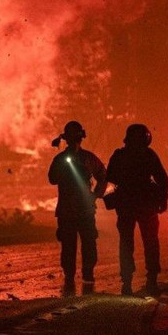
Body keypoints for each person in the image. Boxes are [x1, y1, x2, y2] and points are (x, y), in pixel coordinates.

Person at [106, 124, 168, 296]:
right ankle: (151, 280)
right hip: (145, 204)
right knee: (150, 242)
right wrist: (163, 200)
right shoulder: (148, 155)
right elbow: (162, 179)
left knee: (127, 243)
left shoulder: (119, 156)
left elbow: (110, 179)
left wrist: (113, 197)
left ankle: (127, 281)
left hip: (127, 204)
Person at [48, 121, 107, 293]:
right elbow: (52, 178)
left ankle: (87, 273)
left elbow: (103, 175)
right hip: (68, 209)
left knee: (88, 242)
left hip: (84, 209)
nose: (74, 141)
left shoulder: (88, 158)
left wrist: (95, 195)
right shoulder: (60, 160)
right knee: (69, 245)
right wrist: (64, 168)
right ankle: (69, 275)